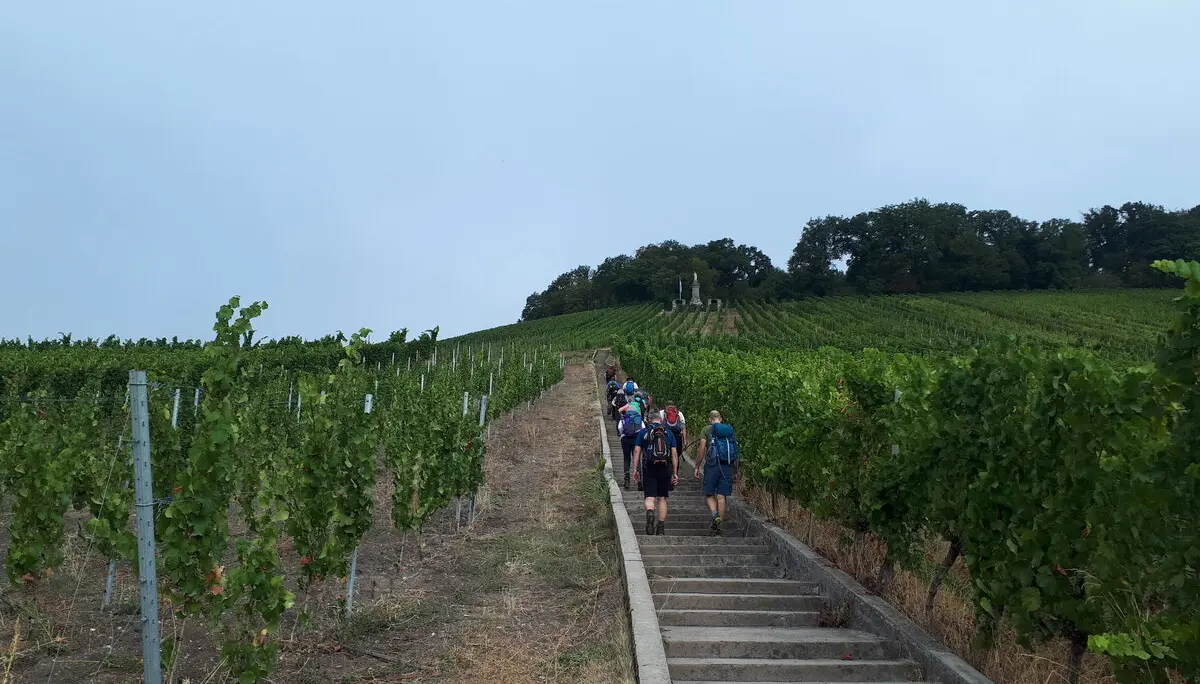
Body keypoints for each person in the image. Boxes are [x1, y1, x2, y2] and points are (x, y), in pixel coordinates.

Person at [632, 410, 679, 535]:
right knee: (662, 498)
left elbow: (637, 451)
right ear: (661, 420)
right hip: (665, 467)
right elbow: (674, 454)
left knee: (650, 496)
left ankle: (650, 511)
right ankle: (661, 528)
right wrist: (675, 472)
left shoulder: (643, 432)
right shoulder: (668, 433)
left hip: (649, 467)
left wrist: (635, 469)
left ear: (649, 420)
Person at [693, 410, 738, 535]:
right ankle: (719, 524)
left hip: (712, 465)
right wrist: (735, 471)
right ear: (721, 418)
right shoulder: (729, 430)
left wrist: (697, 465)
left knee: (708, 493)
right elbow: (734, 450)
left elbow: (702, 447)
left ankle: (714, 514)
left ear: (709, 419)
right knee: (721, 496)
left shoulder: (707, 429)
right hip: (727, 465)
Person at [617, 406, 643, 490]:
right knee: (637, 459)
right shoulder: (638, 418)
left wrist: (624, 434)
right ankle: (639, 482)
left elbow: (620, 428)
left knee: (626, 459)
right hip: (636, 440)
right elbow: (643, 428)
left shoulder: (624, 418)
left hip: (625, 440)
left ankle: (627, 480)